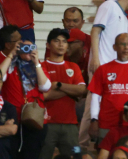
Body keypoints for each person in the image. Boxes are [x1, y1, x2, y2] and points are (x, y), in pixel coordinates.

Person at [40, 28, 88, 159]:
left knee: (76, 156)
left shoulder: (73, 66)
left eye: (64, 41)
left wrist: (58, 85)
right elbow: (43, 96)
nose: (61, 44)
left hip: (70, 125)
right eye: (57, 41)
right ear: (48, 45)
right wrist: (70, 89)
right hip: (46, 123)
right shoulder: (41, 66)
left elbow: (82, 91)